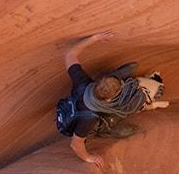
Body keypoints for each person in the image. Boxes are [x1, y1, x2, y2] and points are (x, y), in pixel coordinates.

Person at [56, 31, 168, 166]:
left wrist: (94, 38)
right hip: (92, 122)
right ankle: (105, 132)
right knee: (122, 124)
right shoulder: (88, 120)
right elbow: (75, 144)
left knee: (131, 70)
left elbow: (70, 54)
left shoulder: (82, 82)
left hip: (81, 107)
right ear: (109, 100)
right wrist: (89, 158)